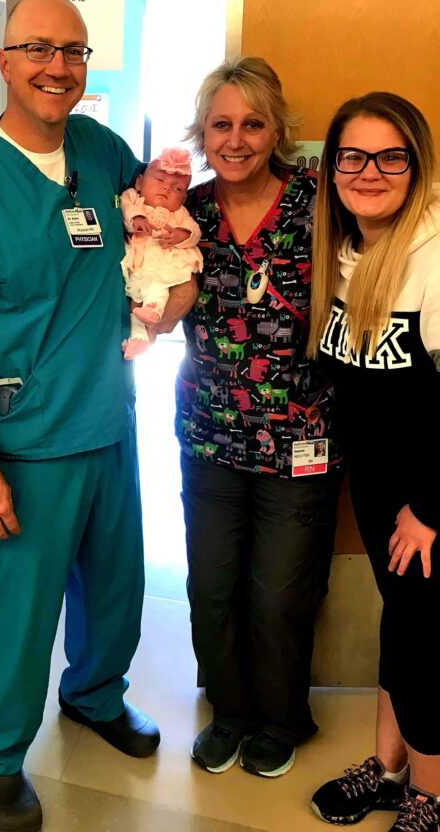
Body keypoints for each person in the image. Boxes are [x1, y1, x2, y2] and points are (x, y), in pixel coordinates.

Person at [0, 0, 185, 832]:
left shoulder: (100, 150)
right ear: (5, 61)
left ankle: (96, 696)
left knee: (117, 588)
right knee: (21, 616)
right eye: (38, 49)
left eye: (74, 51)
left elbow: (160, 229)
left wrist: (176, 297)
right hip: (24, 443)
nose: (58, 67)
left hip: (110, 423)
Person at [175, 56, 343, 779]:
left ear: (278, 131)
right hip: (209, 432)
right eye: (221, 124)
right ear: (203, 132)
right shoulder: (186, 213)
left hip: (302, 437)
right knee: (211, 586)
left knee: (279, 595)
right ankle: (231, 712)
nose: (236, 139)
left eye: (252, 124)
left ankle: (281, 718)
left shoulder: (322, 201)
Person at [308, 92, 440, 831]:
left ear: (416, 164)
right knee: (404, 628)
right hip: (382, 485)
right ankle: (389, 771)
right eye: (352, 155)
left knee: (429, 646)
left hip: (426, 499)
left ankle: (433, 795)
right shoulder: (351, 246)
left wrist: (430, 509)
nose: (369, 171)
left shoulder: (436, 247)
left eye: (391, 156)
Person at [121, 147, 202, 358]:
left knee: (159, 286)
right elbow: (125, 208)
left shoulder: (179, 213)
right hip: (139, 262)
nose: (166, 189)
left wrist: (181, 235)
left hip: (164, 261)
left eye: (177, 189)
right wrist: (136, 219)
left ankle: (154, 314)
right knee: (135, 304)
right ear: (139, 183)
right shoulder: (133, 198)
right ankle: (139, 339)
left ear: (184, 198)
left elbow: (195, 231)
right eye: (159, 181)